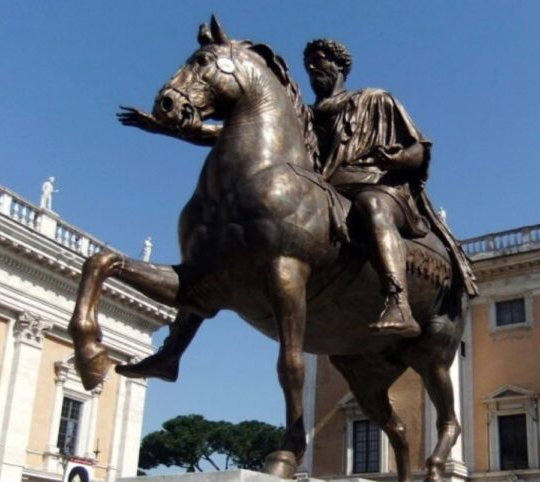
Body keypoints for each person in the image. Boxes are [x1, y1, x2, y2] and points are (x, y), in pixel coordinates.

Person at [115, 37, 478, 381]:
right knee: (218, 252)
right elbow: (232, 132)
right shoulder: (303, 115)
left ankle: (397, 300)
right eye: (308, 65)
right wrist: (169, 129)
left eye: (320, 63)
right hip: (327, 191)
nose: (313, 70)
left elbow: (419, 149)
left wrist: (398, 158)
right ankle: (172, 351)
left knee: (371, 206)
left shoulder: (376, 99)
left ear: (339, 67)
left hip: (376, 186)